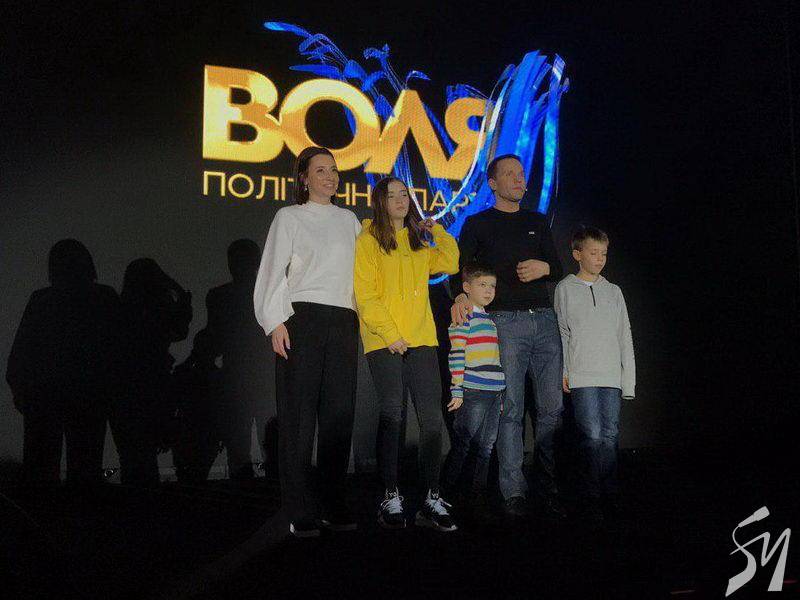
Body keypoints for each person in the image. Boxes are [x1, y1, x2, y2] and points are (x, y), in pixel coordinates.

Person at [253, 146, 361, 538]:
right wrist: (275, 321)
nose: (330, 177)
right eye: (320, 171)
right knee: (298, 419)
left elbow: (366, 274)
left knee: (338, 417)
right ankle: (298, 508)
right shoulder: (290, 216)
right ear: (304, 178)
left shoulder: (350, 220)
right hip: (303, 320)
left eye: (333, 170)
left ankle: (332, 503)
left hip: (344, 321)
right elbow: (272, 271)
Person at [451, 154, 565, 518]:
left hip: (544, 320)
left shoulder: (537, 221)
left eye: (521, 173)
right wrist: (460, 296)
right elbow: (462, 273)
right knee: (511, 409)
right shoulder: (478, 223)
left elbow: (558, 267)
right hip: (505, 323)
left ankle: (548, 488)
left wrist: (544, 267)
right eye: (510, 174)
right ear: (493, 183)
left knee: (551, 410)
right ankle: (513, 491)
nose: (519, 179)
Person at [354, 177, 460, 532]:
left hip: (421, 339)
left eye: (404, 194)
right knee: (392, 413)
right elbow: (365, 296)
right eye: (392, 195)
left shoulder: (418, 242)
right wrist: (391, 334)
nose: (400, 200)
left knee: (431, 419)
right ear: (380, 202)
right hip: (383, 339)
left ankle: (432, 497)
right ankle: (390, 494)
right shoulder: (368, 240)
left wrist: (437, 229)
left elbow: (451, 262)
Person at [6, 240, 120, 486]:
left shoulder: (42, 300)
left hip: (44, 395)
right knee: (85, 467)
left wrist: (19, 388)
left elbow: (22, 350)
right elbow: (118, 347)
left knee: (40, 471)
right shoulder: (103, 297)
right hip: (89, 394)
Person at [554, 226, 635, 523]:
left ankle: (609, 493)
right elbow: (563, 333)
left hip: (610, 375)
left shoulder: (614, 291)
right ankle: (590, 497)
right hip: (583, 375)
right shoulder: (565, 288)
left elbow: (624, 334)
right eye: (593, 253)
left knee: (610, 435)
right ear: (578, 254)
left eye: (603, 254)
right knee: (591, 436)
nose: (599, 259)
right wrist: (565, 370)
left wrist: (628, 381)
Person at [114, 258, 192, 487]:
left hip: (125, 384)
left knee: (130, 452)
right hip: (155, 380)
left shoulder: (122, 308)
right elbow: (180, 331)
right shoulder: (160, 305)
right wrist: (178, 293)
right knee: (148, 447)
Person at [206, 239, 273, 480]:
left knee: (238, 448)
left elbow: (215, 339)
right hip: (264, 378)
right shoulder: (268, 294)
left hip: (236, 378)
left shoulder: (219, 296)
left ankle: (242, 492)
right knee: (270, 442)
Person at [442, 263, 505, 511]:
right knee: (463, 443)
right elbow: (457, 354)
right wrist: (457, 389)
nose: (489, 290)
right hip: (473, 390)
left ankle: (477, 495)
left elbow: (495, 359)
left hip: (493, 391)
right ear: (467, 287)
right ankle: (443, 494)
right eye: (482, 285)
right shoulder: (463, 317)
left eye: (492, 286)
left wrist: (500, 395)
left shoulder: (490, 320)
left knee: (486, 447)